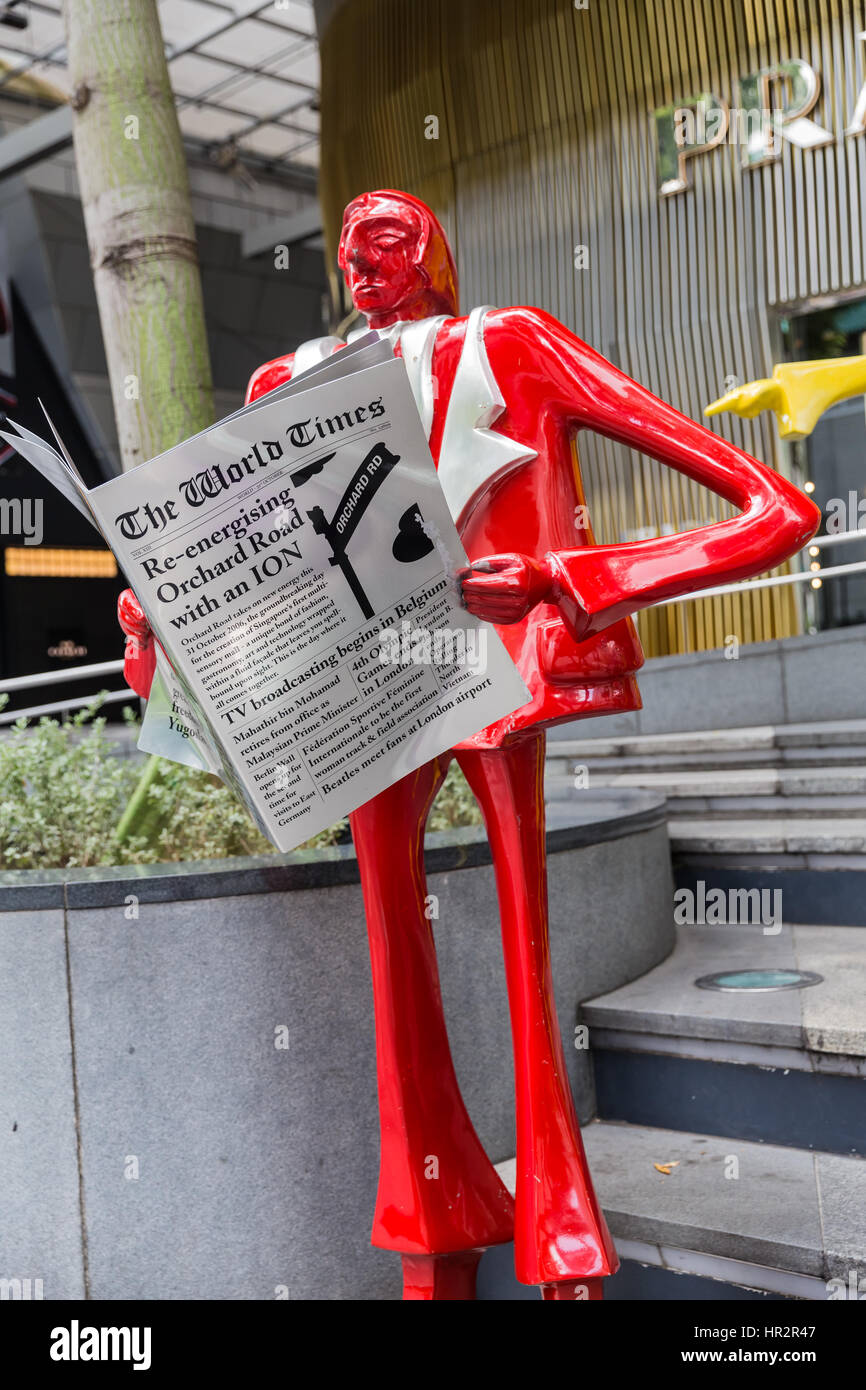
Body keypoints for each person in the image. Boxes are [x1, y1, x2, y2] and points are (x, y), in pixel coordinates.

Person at [120, 189, 819, 1300]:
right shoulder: (280, 392)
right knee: (395, 961)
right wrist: (166, 629)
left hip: (497, 676)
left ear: (436, 252)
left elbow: (772, 509)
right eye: (348, 251)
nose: (362, 265)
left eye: (388, 242)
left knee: (522, 959)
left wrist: (564, 578)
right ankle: (433, 1231)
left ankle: (562, 1239)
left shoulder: (516, 345)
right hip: (356, 693)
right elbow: (249, 589)